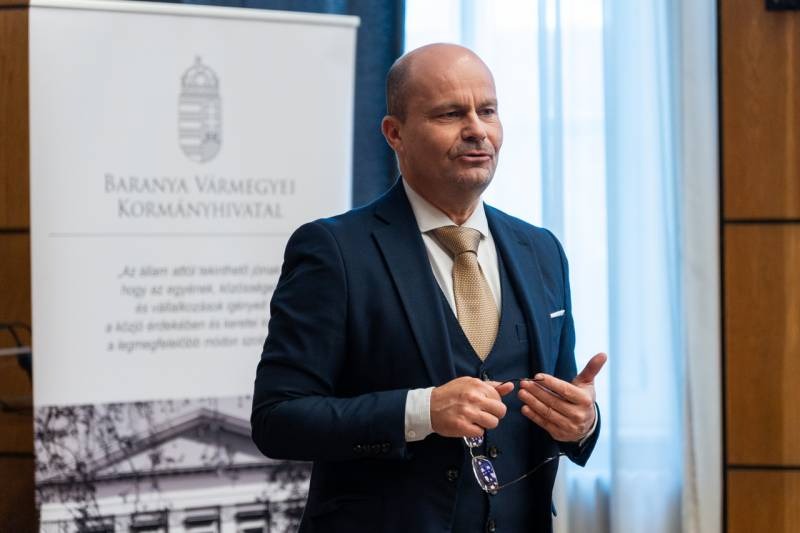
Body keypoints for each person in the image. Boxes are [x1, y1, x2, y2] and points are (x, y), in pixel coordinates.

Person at [251, 43, 606, 533]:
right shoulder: (333, 251)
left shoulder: (541, 250)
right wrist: (421, 411)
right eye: (450, 114)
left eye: (488, 111)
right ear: (394, 133)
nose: (477, 130)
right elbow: (278, 420)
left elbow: (560, 399)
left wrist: (583, 423)